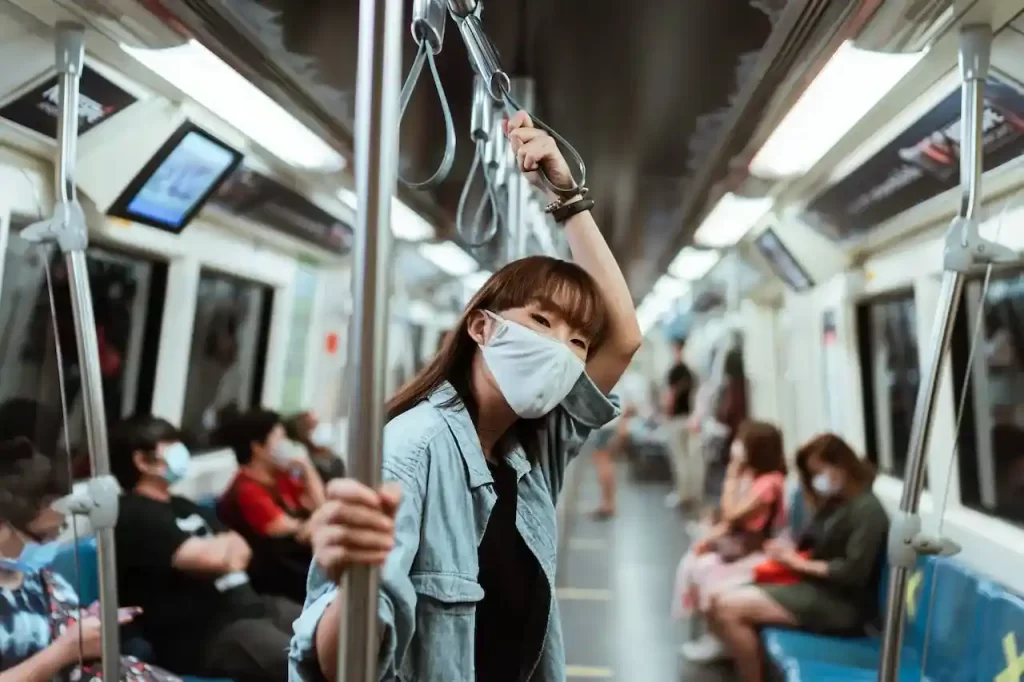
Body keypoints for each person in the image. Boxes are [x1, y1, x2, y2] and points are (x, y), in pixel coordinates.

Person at [288, 110, 641, 682]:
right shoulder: (411, 450)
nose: (560, 349)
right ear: (482, 328)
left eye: (576, 341)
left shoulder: (531, 453)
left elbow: (623, 337)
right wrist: (351, 579)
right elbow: (343, 668)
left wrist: (568, 196)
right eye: (541, 321)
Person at [109, 414, 301, 682]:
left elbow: (241, 548)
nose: (181, 451)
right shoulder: (132, 514)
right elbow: (213, 560)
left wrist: (220, 551)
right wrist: (220, 551)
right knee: (307, 662)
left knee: (336, 632)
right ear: (142, 461)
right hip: (209, 633)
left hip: (255, 606)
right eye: (169, 444)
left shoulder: (182, 504)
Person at [705, 433, 889, 682]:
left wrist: (796, 563)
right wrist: (788, 555)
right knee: (715, 599)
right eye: (813, 475)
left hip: (841, 606)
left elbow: (852, 573)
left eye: (820, 472)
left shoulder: (868, 510)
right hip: (814, 590)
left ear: (841, 465)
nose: (817, 481)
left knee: (728, 609)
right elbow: (812, 544)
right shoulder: (836, 503)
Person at [0, 436, 179, 681]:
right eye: (42, 536)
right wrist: (63, 652)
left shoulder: (41, 578)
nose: (52, 544)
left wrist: (86, 622)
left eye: (59, 531)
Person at [671, 420, 787, 662]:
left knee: (708, 574)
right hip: (741, 545)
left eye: (742, 443)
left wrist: (732, 476)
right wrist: (707, 540)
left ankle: (719, 639)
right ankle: (715, 636)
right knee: (694, 562)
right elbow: (729, 521)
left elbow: (732, 514)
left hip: (760, 550)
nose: (736, 447)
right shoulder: (752, 475)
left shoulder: (771, 483)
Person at [217, 408, 326, 603]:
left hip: (299, 567)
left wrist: (307, 468)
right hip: (274, 581)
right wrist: (321, 519)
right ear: (258, 447)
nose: (288, 446)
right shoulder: (246, 490)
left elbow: (319, 507)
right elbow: (298, 532)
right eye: (280, 439)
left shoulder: (282, 477)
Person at [285, 411, 346, 483]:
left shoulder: (330, 458)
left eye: (317, 423)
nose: (318, 427)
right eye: (313, 424)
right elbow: (294, 481)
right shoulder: (300, 459)